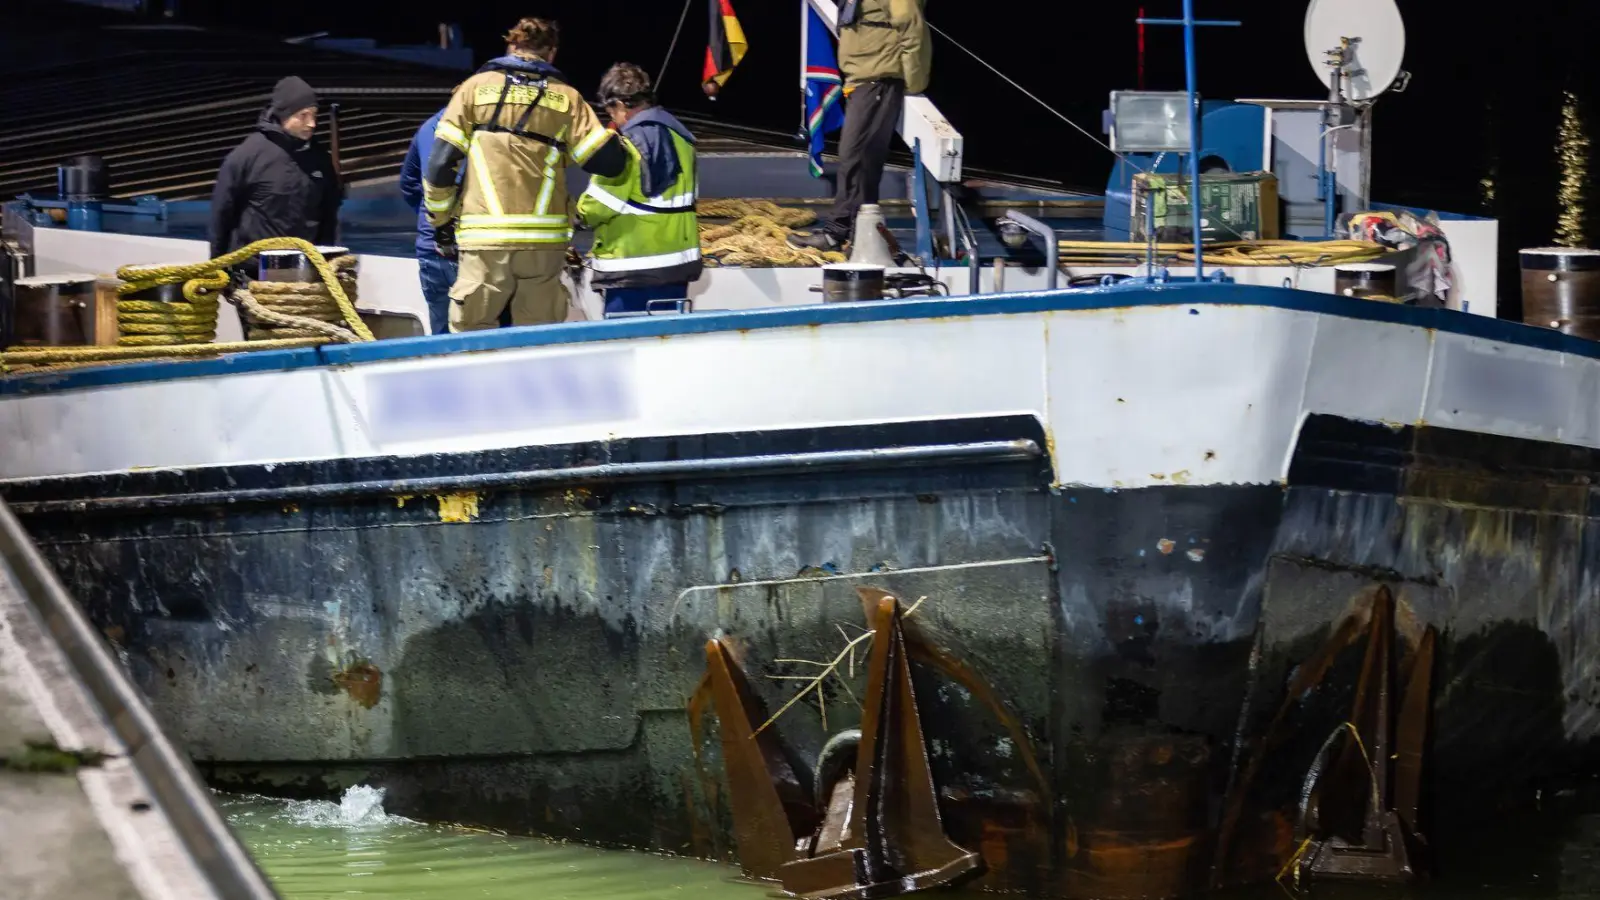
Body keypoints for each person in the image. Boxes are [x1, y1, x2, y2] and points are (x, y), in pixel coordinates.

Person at [423, 17, 627, 331]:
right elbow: (609, 163)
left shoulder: (472, 90)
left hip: (484, 242)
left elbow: (439, 167)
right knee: (536, 338)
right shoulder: (567, 98)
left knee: (471, 339)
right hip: (543, 246)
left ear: (511, 44)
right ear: (552, 52)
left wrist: (441, 223)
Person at [788, 0, 930, 253]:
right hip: (861, 78)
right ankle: (858, 232)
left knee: (856, 156)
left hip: (878, 79)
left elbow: (912, 28)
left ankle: (837, 231)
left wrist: (911, 81)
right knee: (859, 158)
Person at [576, 63, 703, 316]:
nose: (612, 119)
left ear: (621, 105)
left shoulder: (626, 145)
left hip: (631, 270)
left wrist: (577, 214)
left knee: (627, 345)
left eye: (611, 111)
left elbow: (598, 206)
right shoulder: (684, 140)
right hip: (677, 267)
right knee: (665, 343)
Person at [209, 76, 342, 261]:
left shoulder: (320, 159)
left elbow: (330, 217)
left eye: (314, 115)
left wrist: (330, 263)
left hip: (305, 273)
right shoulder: (247, 156)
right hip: (253, 274)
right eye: (303, 116)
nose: (312, 123)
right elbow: (221, 216)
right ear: (284, 115)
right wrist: (217, 270)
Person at [400, 108, 458, 335]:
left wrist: (428, 217)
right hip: (463, 253)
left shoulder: (427, 128)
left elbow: (407, 183)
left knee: (441, 338)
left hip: (428, 251)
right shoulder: (472, 132)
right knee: (477, 338)